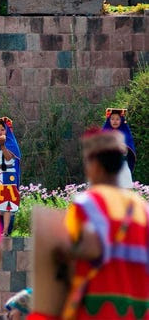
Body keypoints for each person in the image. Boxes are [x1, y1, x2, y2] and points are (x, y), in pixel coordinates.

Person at [52, 128, 148, 320]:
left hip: (98, 310)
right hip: (139, 310)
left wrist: (61, 252)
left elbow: (88, 249)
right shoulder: (143, 208)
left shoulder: (88, 203)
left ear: (95, 165)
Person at [102, 108, 136, 189]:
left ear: (121, 120)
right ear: (109, 120)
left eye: (117, 119)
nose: (115, 121)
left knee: (124, 190)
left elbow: (129, 150)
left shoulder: (126, 134)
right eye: (112, 119)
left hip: (122, 165)